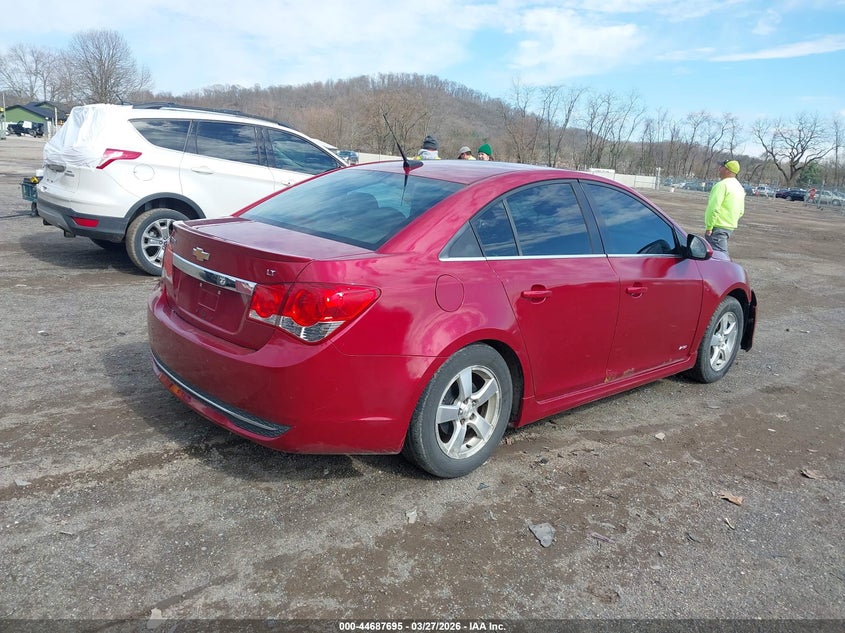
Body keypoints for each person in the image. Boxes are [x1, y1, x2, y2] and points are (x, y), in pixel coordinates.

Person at [704, 159, 745, 257]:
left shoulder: (721, 185)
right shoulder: (739, 187)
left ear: (727, 170)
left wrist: (709, 227)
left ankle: (726, 272)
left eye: (722, 167)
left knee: (719, 256)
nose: (719, 169)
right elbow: (741, 211)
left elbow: (713, 208)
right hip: (729, 227)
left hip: (718, 226)